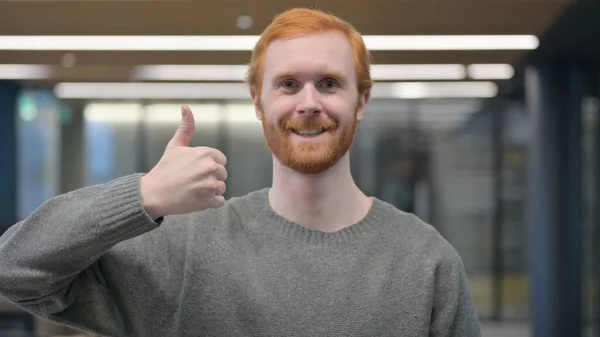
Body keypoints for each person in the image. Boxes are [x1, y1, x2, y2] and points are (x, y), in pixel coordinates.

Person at [0, 7, 480, 337]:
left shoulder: (425, 262)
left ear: (361, 102)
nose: (309, 103)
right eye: (288, 84)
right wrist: (141, 196)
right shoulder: (187, 251)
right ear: (258, 102)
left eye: (329, 84)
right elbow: (14, 269)